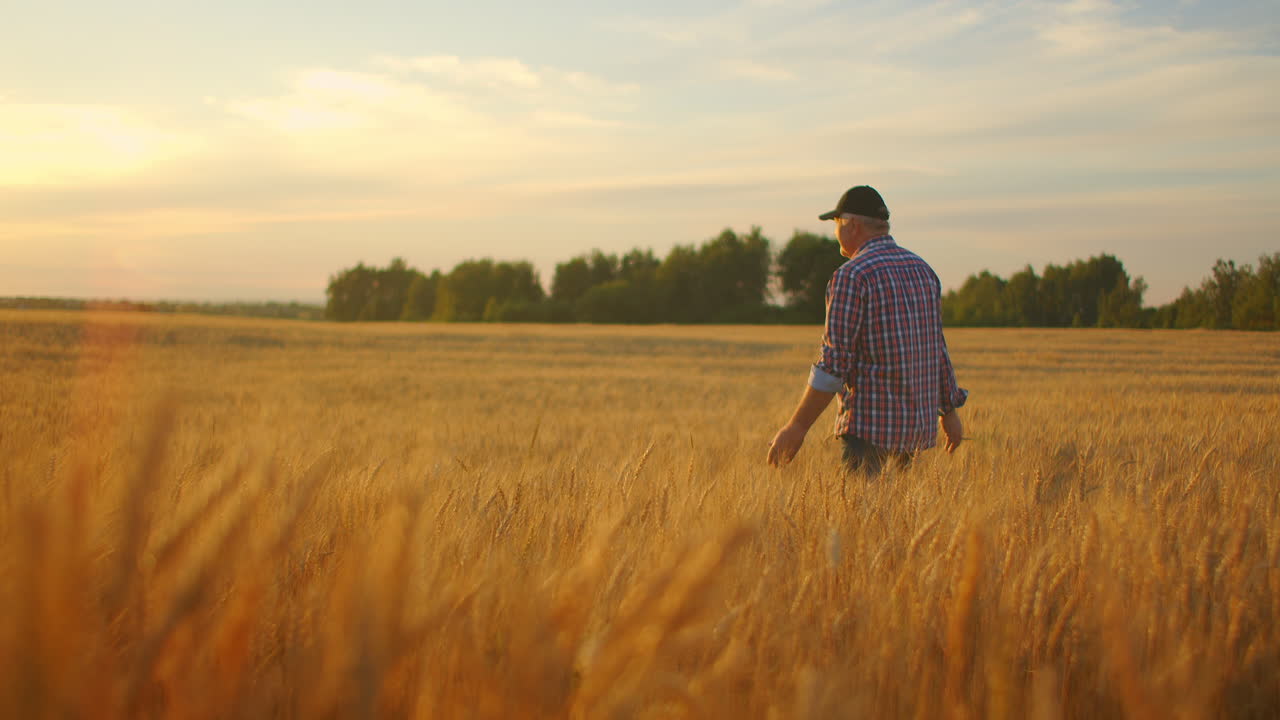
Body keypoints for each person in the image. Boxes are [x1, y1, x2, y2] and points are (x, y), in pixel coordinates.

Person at [766, 185, 967, 474]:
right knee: (897, 516)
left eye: (836, 224)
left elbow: (834, 364)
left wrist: (797, 427)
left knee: (863, 514)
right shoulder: (924, 270)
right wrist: (949, 412)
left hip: (870, 431)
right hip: (915, 432)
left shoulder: (852, 276)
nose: (835, 231)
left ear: (853, 225)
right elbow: (937, 349)